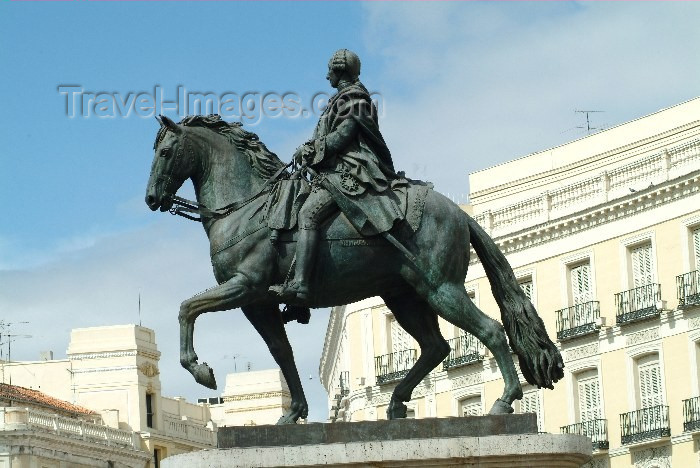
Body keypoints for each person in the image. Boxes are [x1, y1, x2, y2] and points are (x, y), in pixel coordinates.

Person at [270, 49, 403, 301]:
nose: (326, 76)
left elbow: (342, 136)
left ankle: (301, 284)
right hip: (334, 167)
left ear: (339, 71)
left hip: (351, 168)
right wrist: (310, 149)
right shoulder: (342, 99)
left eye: (329, 70)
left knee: (308, 213)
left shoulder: (354, 100)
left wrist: (313, 148)